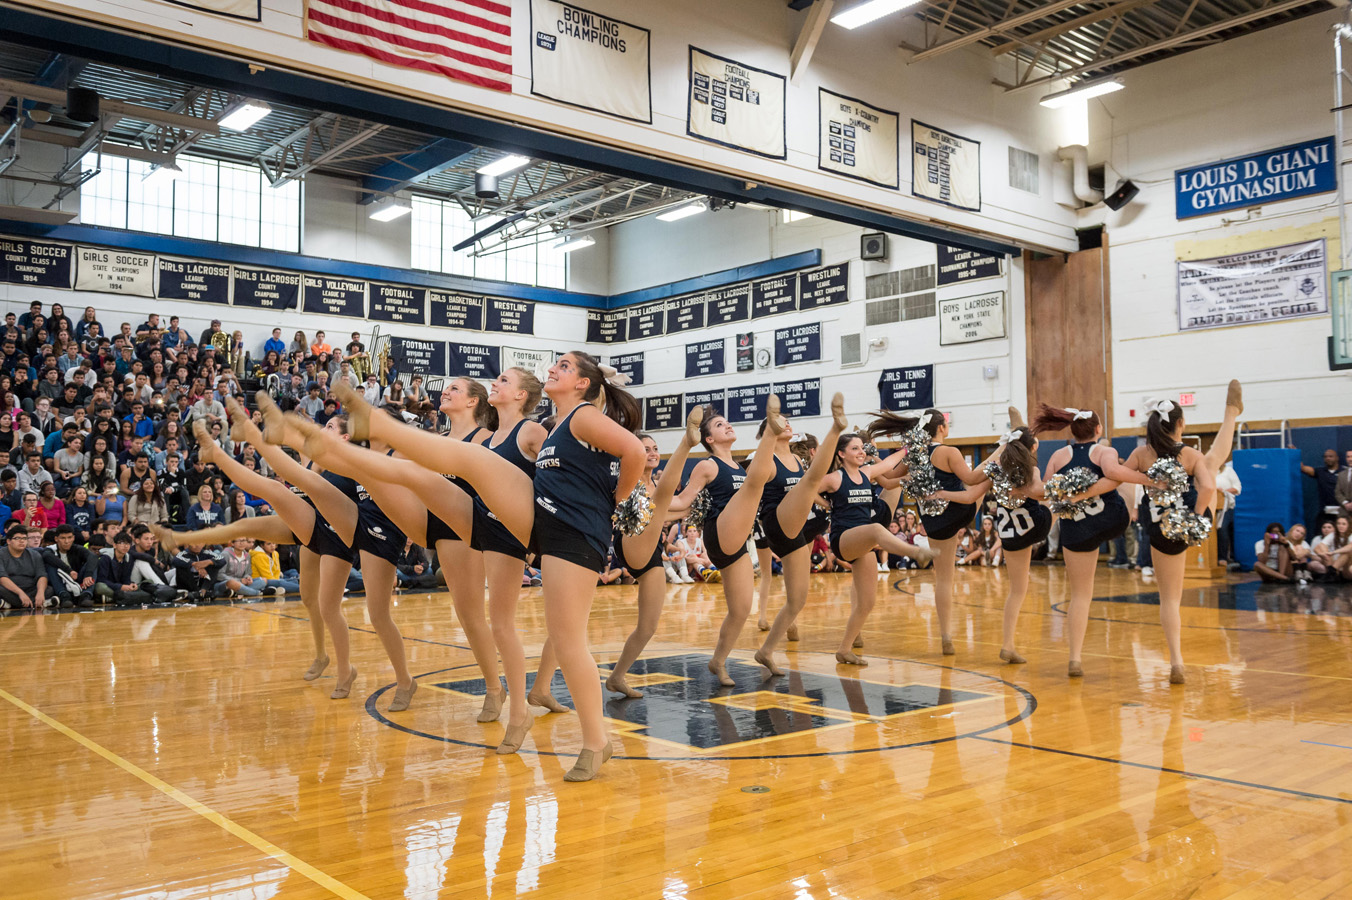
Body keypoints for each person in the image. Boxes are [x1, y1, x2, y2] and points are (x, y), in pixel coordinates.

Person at [333, 352, 646, 781]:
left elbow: (633, 450)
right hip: (546, 532)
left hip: (576, 535)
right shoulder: (560, 426)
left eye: (565, 366)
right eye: (555, 364)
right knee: (561, 636)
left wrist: (614, 499)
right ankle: (560, 719)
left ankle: (595, 741)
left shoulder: (581, 417)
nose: (553, 368)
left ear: (581, 385)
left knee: (568, 640)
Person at [1122, 383, 1241, 685]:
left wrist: (1138, 484)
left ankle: (1176, 661)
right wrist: (1198, 517)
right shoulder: (1189, 454)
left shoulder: (1140, 453)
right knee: (1212, 462)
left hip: (1158, 528)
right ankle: (1231, 415)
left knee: (1169, 600)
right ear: (1180, 425)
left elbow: (1120, 481)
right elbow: (1210, 488)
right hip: (1188, 520)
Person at [1031, 404, 1158, 677]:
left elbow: (1048, 491)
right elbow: (1115, 474)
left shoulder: (1056, 455)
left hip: (1076, 530)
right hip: (1110, 520)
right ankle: (1125, 547)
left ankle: (1075, 658)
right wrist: (1149, 479)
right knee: (1118, 481)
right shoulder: (1105, 451)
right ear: (1098, 430)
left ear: (1073, 430)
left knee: (1079, 596)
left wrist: (1069, 496)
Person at [671, 399, 787, 686]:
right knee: (754, 482)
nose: (728, 425)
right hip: (719, 532)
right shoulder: (708, 465)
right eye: (720, 425)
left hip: (739, 539)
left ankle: (718, 661)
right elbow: (685, 501)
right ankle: (770, 432)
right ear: (708, 439)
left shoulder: (737, 466)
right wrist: (655, 509)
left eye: (728, 422)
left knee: (741, 609)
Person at [868, 408, 986, 656]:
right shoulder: (949, 452)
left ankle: (946, 637)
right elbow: (973, 479)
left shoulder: (915, 455)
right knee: (979, 486)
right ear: (942, 427)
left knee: (943, 579)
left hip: (934, 523)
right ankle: (1004, 450)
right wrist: (993, 471)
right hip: (959, 510)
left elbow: (888, 481)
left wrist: (873, 458)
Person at [752, 396, 856, 673]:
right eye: (780, 421)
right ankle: (836, 429)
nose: (787, 424)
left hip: (795, 525)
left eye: (787, 421)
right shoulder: (767, 458)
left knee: (798, 598)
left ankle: (766, 651)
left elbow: (807, 492)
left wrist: (830, 504)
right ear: (768, 431)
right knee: (812, 478)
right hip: (775, 519)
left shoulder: (797, 459)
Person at [816, 429, 934, 665]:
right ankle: (915, 552)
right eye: (855, 448)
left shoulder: (866, 472)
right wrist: (826, 505)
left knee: (867, 602)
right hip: (844, 540)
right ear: (841, 454)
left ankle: (844, 650)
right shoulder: (834, 478)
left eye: (862, 448)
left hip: (864, 543)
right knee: (878, 530)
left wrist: (907, 449)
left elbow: (890, 462)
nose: (861, 452)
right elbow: (806, 489)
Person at [606, 412, 703, 697]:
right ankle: (687, 442)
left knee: (648, 626)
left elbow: (682, 504)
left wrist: (700, 491)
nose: (652, 452)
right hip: (628, 543)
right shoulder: (627, 479)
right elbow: (661, 506)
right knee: (662, 500)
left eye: (655, 449)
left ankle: (617, 677)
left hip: (652, 554)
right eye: (645, 448)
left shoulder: (657, 488)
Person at [41, 524, 96, 608]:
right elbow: (46, 556)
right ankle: (64, 596)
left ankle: (86, 595)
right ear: (56, 539)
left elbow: (93, 556)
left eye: (69, 538)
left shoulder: (77, 548)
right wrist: (69, 570)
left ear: (73, 538)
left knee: (93, 563)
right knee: (50, 564)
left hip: (77, 582)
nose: (67, 541)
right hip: (60, 583)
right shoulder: (50, 549)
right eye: (63, 538)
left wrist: (88, 574)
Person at [0, 524, 48, 609]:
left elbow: (42, 575)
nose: (22, 541)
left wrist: (40, 593)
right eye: (17, 538)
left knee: (48, 589)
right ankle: (39, 603)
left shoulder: (35, 555)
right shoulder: (1, 554)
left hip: (30, 589)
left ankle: (9, 604)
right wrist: (20, 593)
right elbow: (2, 578)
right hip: (10, 590)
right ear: (8, 541)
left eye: (24, 538)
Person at [1299, 448, 1344, 530]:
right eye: (1325, 457)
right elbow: (1302, 468)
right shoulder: (1320, 472)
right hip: (1324, 512)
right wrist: (1295, 453)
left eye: (1331, 456)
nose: (1328, 458)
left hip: (1343, 512)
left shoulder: (1345, 472)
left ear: (1337, 458)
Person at [1215, 458, 1242, 569]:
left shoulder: (1228, 471)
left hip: (1226, 506)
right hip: (1212, 505)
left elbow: (1237, 488)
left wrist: (1223, 491)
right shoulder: (1208, 471)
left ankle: (1223, 558)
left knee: (1223, 529)